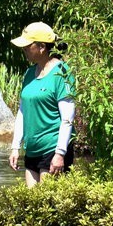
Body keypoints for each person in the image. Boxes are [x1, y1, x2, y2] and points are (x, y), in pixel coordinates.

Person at [8, 22, 75, 187]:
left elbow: (67, 118)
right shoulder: (29, 73)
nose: (23, 49)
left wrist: (60, 154)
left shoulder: (62, 73)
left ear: (42, 47)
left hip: (52, 149)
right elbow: (23, 112)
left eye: (27, 45)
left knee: (48, 206)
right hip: (32, 150)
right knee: (32, 207)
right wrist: (15, 147)